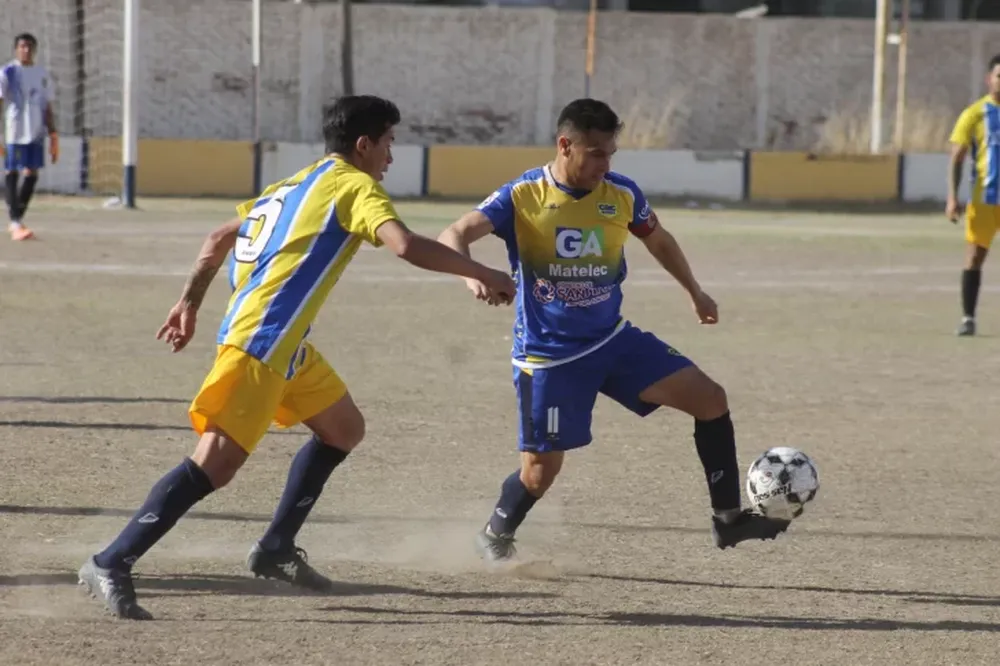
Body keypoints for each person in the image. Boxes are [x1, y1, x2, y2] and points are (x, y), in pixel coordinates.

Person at [78, 95, 515, 620]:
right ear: (364, 144)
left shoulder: (293, 184)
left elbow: (219, 237)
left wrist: (189, 301)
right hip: (262, 340)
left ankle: (276, 550)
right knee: (214, 465)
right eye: (388, 143)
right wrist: (484, 273)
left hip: (287, 346)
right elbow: (403, 245)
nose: (390, 157)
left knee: (344, 428)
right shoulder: (355, 187)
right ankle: (111, 560)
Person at [437, 98, 790, 564]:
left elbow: (658, 239)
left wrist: (694, 291)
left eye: (611, 154)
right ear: (566, 146)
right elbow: (454, 233)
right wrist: (474, 274)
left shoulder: (621, 194)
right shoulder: (522, 196)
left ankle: (728, 520)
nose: (606, 164)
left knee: (711, 399)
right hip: (550, 355)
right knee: (539, 474)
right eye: (597, 153)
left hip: (612, 339)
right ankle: (496, 533)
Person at [946, 53, 1000, 337]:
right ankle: (968, 317)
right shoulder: (974, 113)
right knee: (975, 257)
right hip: (985, 201)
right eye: (999, 76)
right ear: (989, 79)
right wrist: (953, 198)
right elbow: (957, 157)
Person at [0, 33, 58, 241]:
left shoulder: (42, 74)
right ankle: (16, 222)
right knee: (12, 170)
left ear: (34, 49)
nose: (26, 50)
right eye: (22, 46)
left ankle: (16, 220)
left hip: (36, 132)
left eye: (29, 47)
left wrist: (53, 134)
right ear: (16, 49)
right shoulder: (8, 72)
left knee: (31, 173)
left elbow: (48, 106)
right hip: (15, 131)